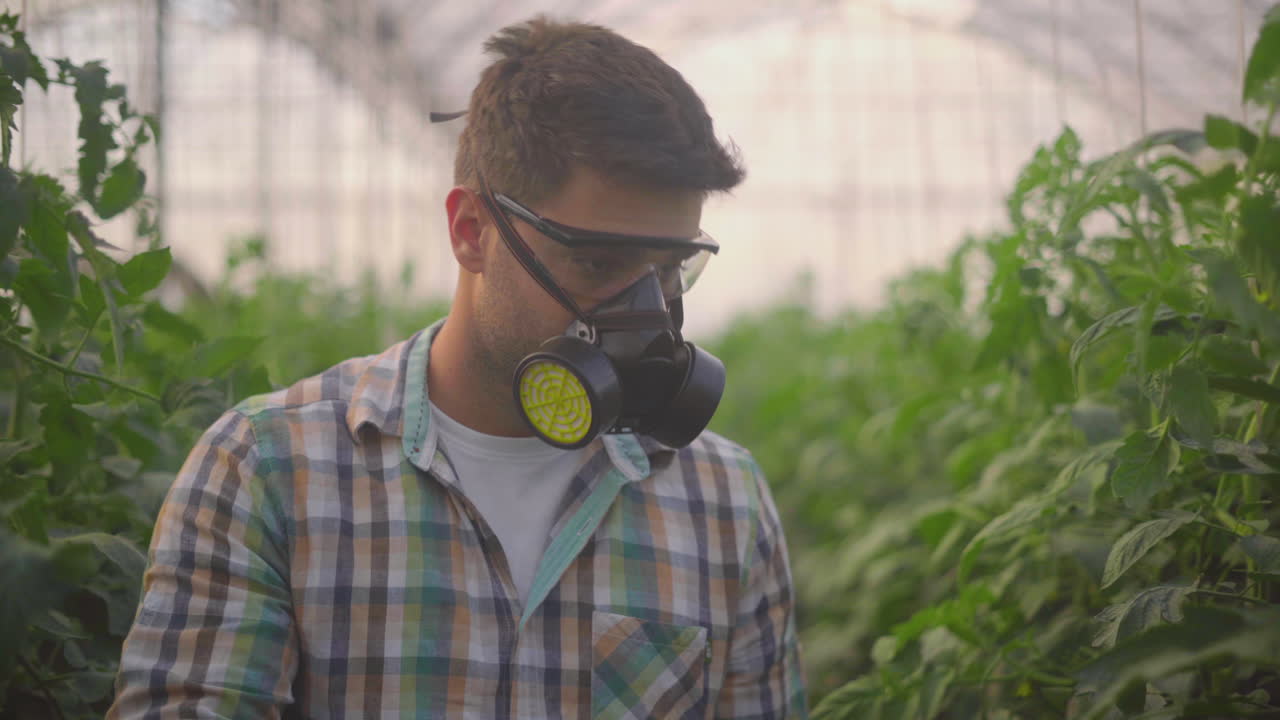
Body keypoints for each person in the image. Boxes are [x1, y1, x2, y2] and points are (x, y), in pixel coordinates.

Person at [108, 15, 806, 719]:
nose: (646, 314)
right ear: (472, 231)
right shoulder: (269, 473)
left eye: (669, 269)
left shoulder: (723, 503)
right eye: (598, 263)